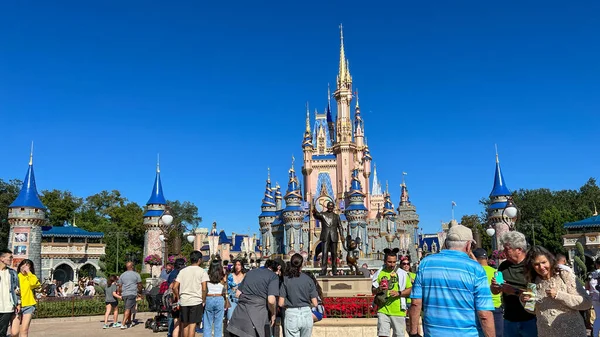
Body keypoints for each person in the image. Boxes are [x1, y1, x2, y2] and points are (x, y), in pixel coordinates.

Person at [408, 225, 495, 337]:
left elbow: (415, 303)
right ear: (468, 245)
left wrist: (414, 333)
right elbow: (484, 314)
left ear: (446, 243)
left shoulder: (425, 264)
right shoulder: (476, 269)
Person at [521, 246, 591, 337]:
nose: (541, 267)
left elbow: (586, 303)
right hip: (546, 333)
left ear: (550, 260)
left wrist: (559, 295)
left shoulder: (564, 275)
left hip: (572, 332)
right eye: (536, 264)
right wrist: (525, 301)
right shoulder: (533, 281)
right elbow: (534, 310)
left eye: (543, 262)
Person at [491, 231, 537, 337]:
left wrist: (514, 291)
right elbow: (495, 291)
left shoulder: (532, 266)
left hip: (530, 319)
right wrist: (494, 286)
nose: (504, 252)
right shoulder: (503, 266)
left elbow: (537, 294)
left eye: (507, 249)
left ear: (519, 250)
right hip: (509, 320)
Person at [227, 259, 280, 337]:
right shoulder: (273, 276)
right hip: (256, 321)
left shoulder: (250, 273)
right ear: (277, 269)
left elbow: (238, 294)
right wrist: (273, 314)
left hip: (238, 319)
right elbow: (271, 300)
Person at [374, 248, 412, 337]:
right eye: (389, 262)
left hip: (398, 311)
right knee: (382, 335)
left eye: (394, 262)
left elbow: (410, 289)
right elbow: (372, 290)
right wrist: (379, 288)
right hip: (383, 309)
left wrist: (399, 293)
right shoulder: (379, 273)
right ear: (384, 261)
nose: (392, 264)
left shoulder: (402, 274)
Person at [278, 254, 318, 337]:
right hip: (306, 313)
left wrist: (289, 305)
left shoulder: (286, 280)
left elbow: (280, 303)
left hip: (291, 313)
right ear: (302, 264)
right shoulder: (308, 280)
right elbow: (315, 303)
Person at [172, 251, 209, 337]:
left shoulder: (183, 271)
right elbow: (204, 288)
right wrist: (203, 300)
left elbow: (174, 287)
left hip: (184, 300)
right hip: (196, 301)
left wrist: (178, 297)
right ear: (199, 260)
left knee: (185, 325)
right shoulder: (202, 271)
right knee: (192, 326)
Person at [473, 248, 503, 337]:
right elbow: (501, 289)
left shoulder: (475, 273)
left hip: (480, 308)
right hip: (496, 306)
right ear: (486, 259)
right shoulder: (496, 272)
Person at [312, 201, 344, 276]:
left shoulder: (336, 216)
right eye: (329, 206)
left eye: (331, 206)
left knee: (334, 254)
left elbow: (340, 226)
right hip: (325, 236)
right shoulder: (323, 214)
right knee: (324, 253)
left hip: (334, 236)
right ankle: (323, 270)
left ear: (333, 207)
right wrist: (314, 210)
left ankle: (334, 270)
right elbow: (316, 215)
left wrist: (342, 235)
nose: (330, 207)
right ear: (327, 207)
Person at [11, 259, 41, 337]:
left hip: (29, 305)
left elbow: (34, 284)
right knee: (14, 332)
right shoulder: (16, 276)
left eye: (28, 267)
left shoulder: (31, 276)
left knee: (24, 330)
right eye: (23, 266)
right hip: (16, 305)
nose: (24, 268)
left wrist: (28, 272)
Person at [203, 259, 227, 337]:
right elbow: (225, 289)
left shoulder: (207, 276)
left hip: (209, 297)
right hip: (219, 297)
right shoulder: (222, 277)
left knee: (207, 324)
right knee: (218, 324)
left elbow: (204, 288)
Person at [0, 249, 20, 336]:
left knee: (2, 332)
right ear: (2, 258)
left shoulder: (12, 273)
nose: (12, 259)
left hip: (7, 307)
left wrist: (18, 303)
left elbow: (17, 289)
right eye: (10, 257)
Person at [117, 261, 142, 330]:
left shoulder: (122, 275)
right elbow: (139, 284)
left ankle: (129, 321)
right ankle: (123, 324)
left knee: (128, 307)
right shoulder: (136, 274)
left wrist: (119, 292)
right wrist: (140, 292)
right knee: (128, 309)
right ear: (132, 266)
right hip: (132, 293)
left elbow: (120, 286)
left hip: (124, 294)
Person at [167, 258, 186, 337]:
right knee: (181, 324)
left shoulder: (171, 274)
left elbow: (170, 286)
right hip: (180, 299)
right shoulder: (181, 273)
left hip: (173, 300)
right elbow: (175, 287)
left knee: (176, 321)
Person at [588, 258, 600, 337]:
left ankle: (595, 335)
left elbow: (586, 287)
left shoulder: (590, 274)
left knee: (598, 317)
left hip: (594, 298)